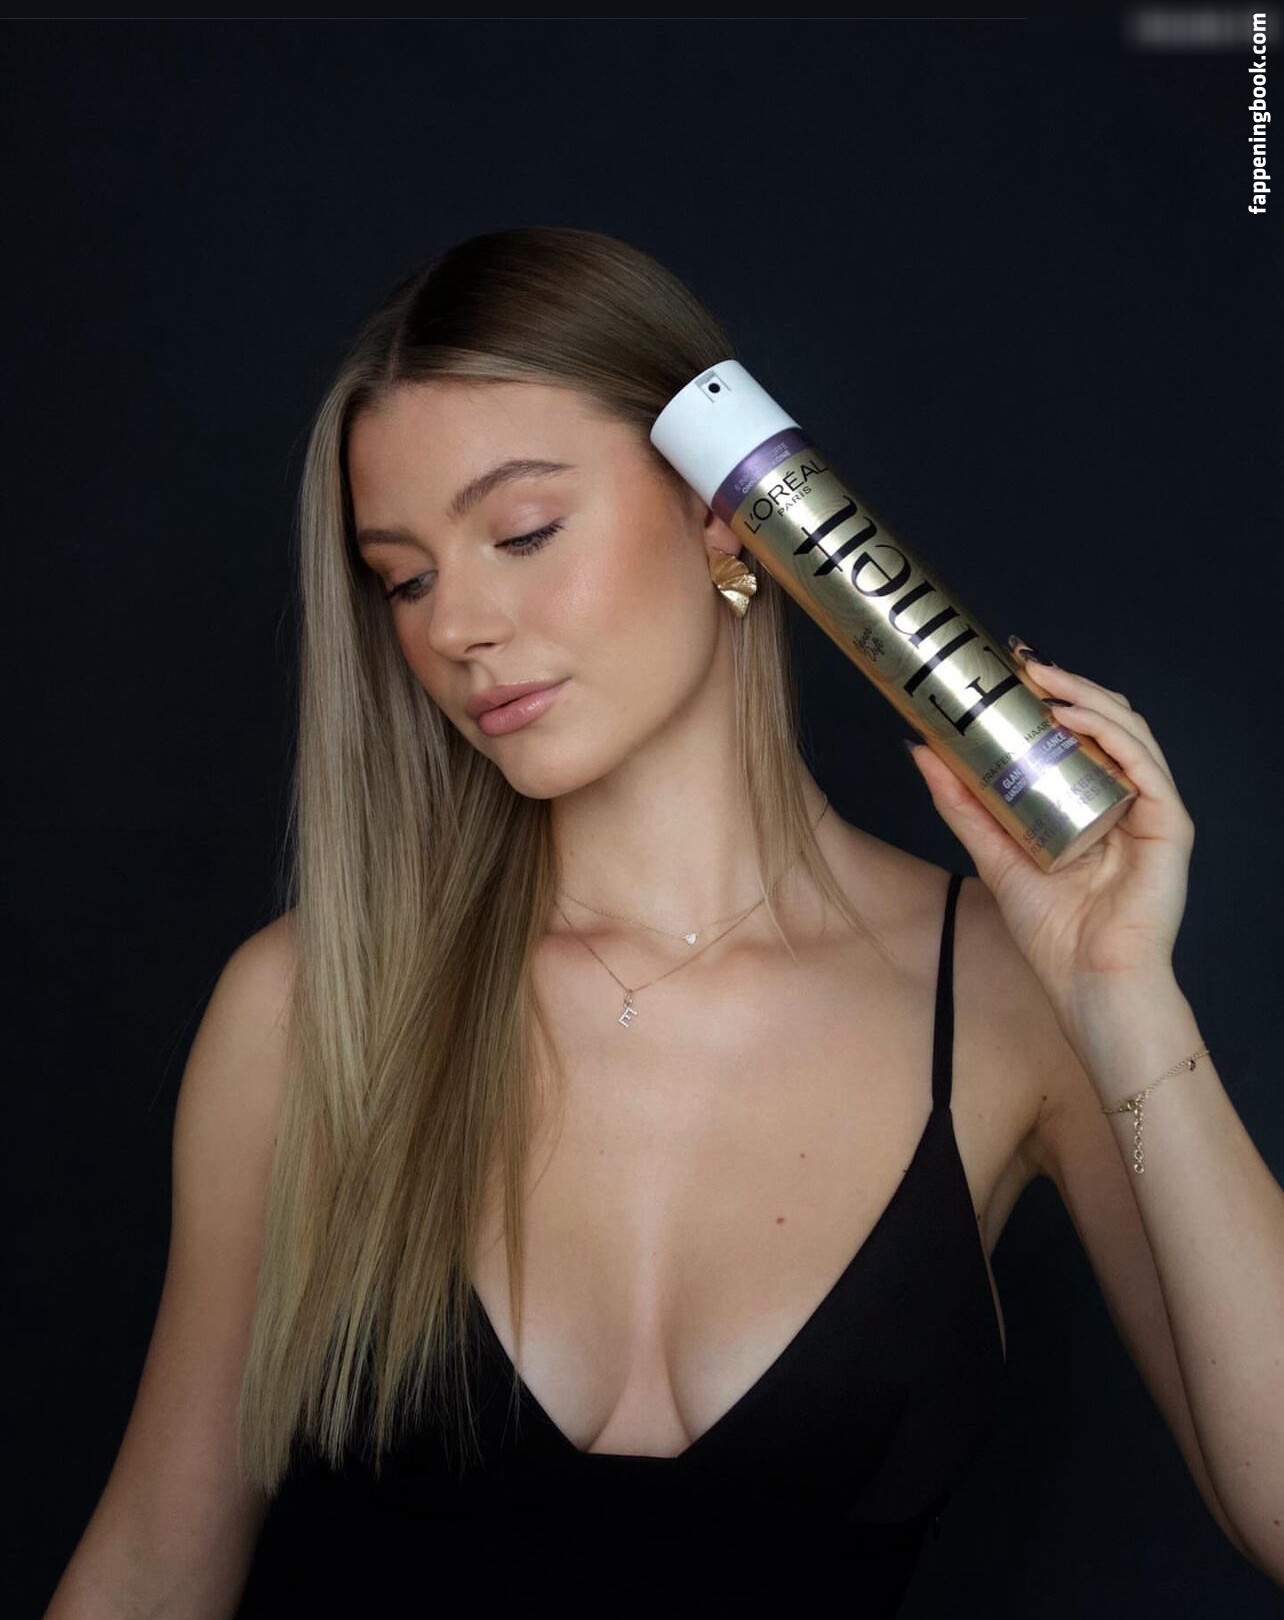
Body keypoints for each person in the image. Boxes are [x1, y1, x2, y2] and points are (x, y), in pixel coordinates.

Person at [44, 226, 1284, 1619]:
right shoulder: (311, 1008)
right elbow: (153, 1568)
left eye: (522, 533)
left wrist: (1125, 994)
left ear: (723, 520)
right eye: (405, 576)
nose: (456, 626)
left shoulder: (1008, 1005)